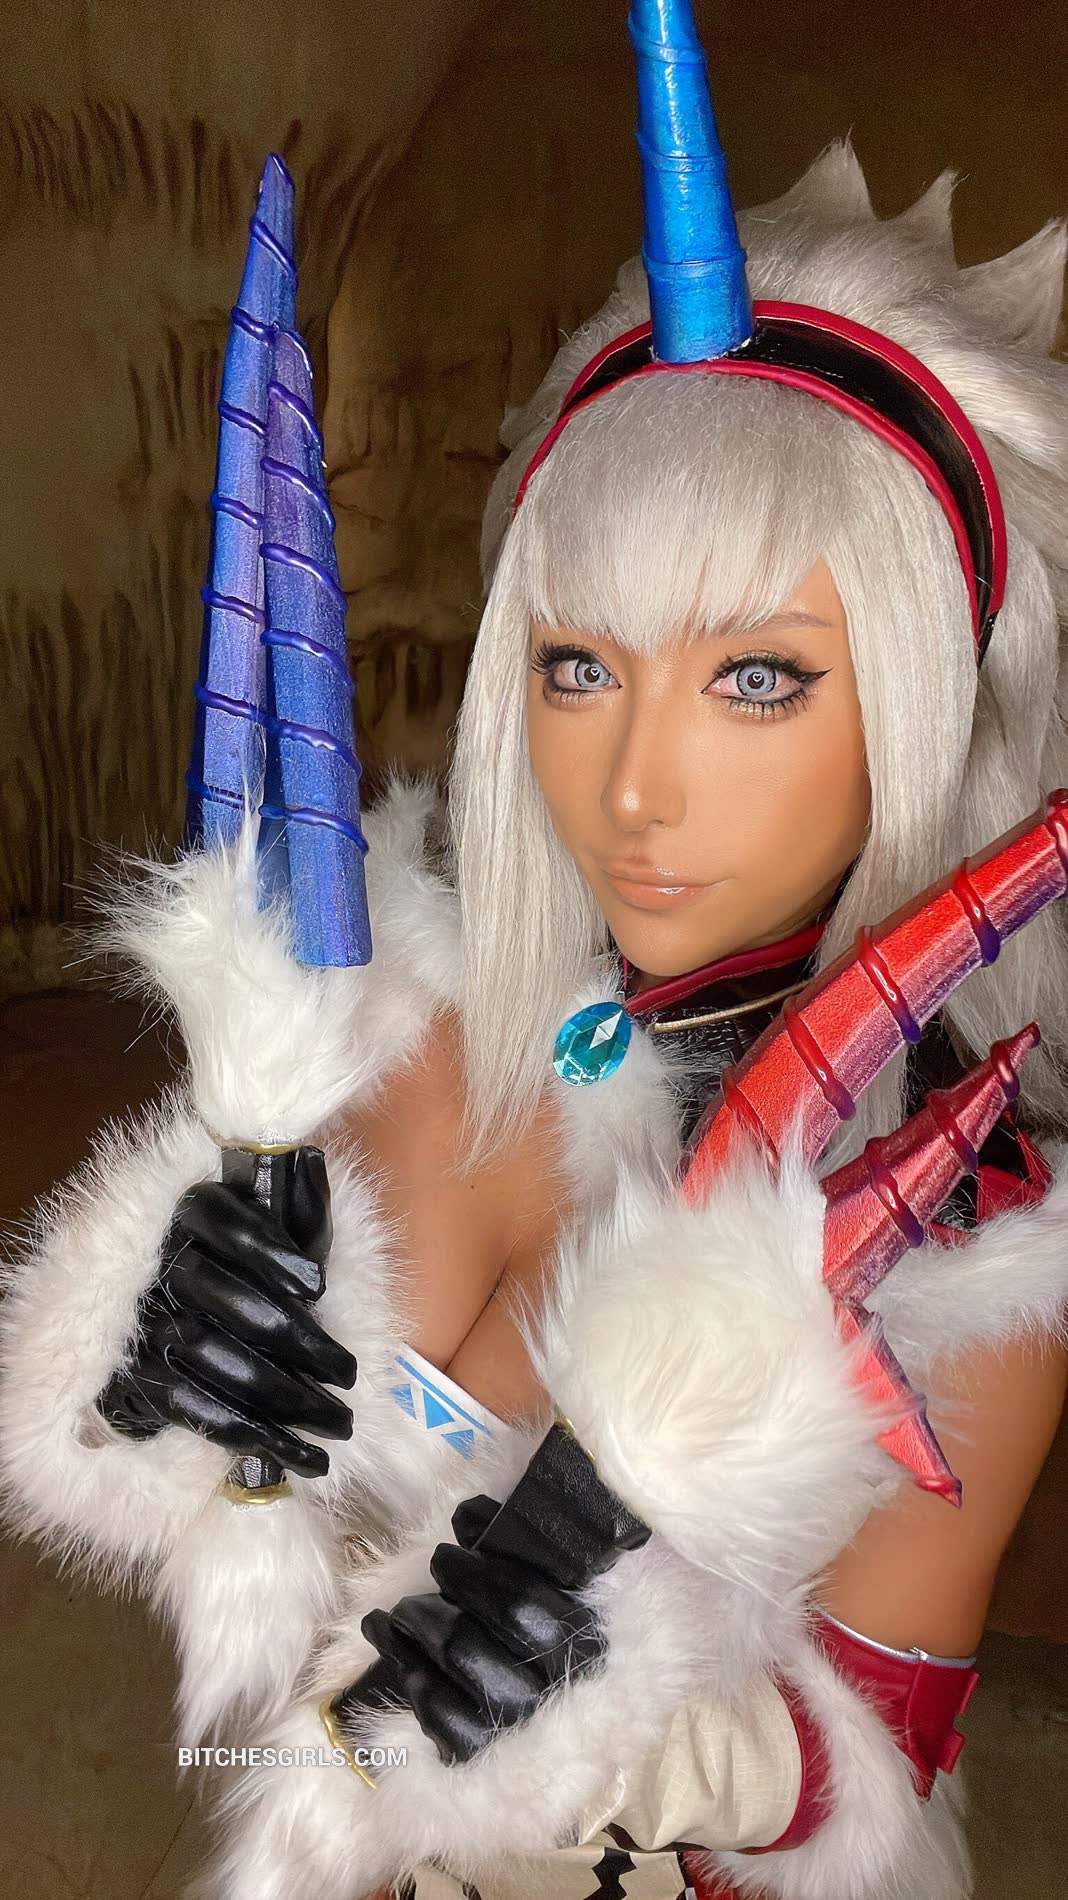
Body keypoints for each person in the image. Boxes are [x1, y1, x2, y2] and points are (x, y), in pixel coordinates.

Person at [3, 4, 1068, 1897]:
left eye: (758, 679)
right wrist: (165, 1406)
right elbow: (240, 1630)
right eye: (580, 666)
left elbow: (864, 1771)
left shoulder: (970, 1232)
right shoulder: (424, 1033)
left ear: (916, 703)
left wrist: (646, 1729)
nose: (636, 783)